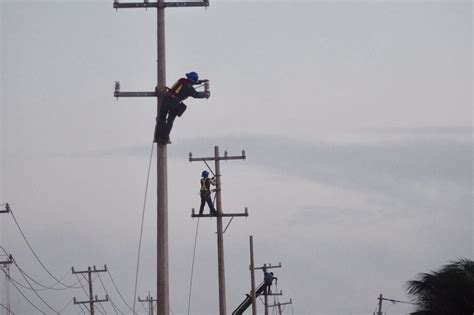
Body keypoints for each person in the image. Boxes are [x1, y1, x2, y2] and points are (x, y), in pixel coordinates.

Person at [154, 71, 210, 144]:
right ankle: (165, 138)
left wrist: (200, 82)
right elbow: (196, 95)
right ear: (193, 81)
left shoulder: (181, 80)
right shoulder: (190, 88)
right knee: (170, 121)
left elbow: (189, 82)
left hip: (166, 98)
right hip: (175, 103)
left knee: (161, 118)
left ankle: (158, 138)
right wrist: (206, 94)